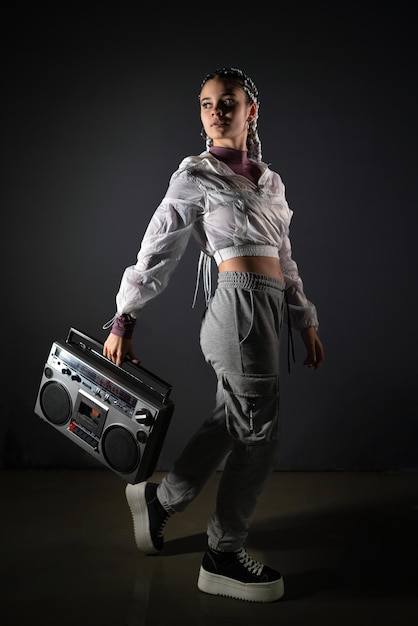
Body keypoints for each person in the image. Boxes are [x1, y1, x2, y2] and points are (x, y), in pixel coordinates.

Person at [103, 67, 324, 603]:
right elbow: (158, 247)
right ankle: (222, 555)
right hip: (238, 311)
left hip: (269, 311)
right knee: (260, 435)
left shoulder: (269, 181)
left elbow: (284, 259)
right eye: (206, 103)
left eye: (228, 102)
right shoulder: (195, 175)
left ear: (251, 111)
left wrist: (304, 318)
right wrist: (124, 317)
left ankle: (161, 503)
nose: (216, 111)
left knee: (233, 419)